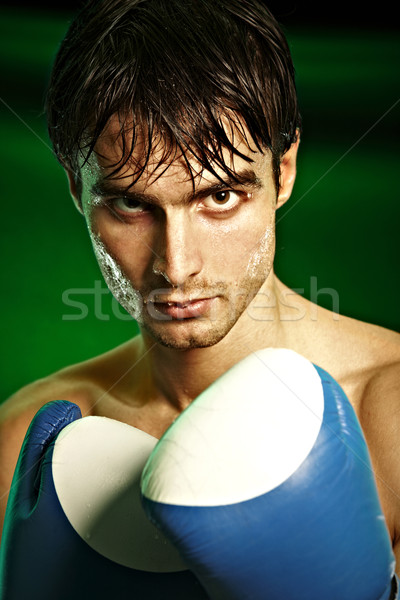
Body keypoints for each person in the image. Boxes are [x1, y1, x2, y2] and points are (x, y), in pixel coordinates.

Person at [0, 0, 399, 596]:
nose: (177, 265)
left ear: (283, 171)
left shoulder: (387, 416)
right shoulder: (23, 451)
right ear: (74, 188)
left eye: (219, 198)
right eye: (131, 204)